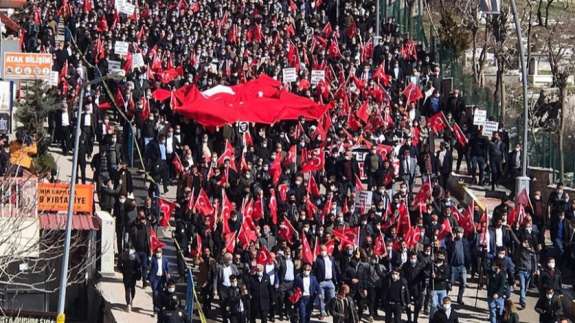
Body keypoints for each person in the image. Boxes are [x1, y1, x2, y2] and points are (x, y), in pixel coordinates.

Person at [314, 244, 338, 320]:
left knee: (332, 298)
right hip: (321, 282)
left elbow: (335, 269)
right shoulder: (318, 259)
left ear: (326, 250)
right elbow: (314, 271)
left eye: (323, 250)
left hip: (330, 281)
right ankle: (322, 313)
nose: (322, 251)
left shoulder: (331, 258)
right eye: (321, 250)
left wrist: (336, 280)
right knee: (321, 298)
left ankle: (328, 309)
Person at [148, 248, 170, 315]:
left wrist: (168, 274)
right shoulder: (153, 258)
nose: (158, 253)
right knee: (155, 294)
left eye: (159, 252)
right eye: (157, 252)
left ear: (162, 252)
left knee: (160, 294)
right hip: (155, 279)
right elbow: (150, 267)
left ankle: (159, 308)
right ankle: (155, 308)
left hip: (162, 279)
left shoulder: (165, 259)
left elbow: (167, 268)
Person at [119, 248, 141, 312]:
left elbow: (119, 266)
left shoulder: (122, 255)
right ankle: (130, 302)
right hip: (133, 275)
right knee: (132, 288)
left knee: (127, 289)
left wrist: (123, 271)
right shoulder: (136, 255)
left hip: (127, 275)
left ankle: (128, 303)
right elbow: (139, 265)